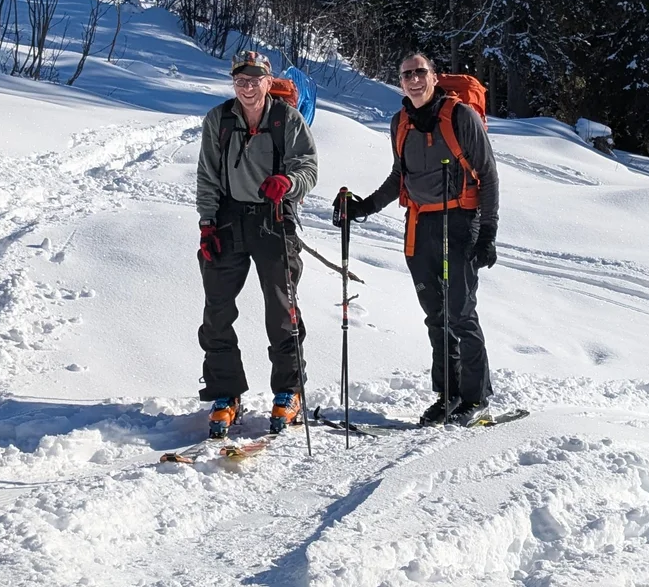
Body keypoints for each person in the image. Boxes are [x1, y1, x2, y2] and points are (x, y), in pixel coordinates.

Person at [334, 52, 500, 425]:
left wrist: (488, 230)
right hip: (420, 225)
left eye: (419, 72)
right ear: (400, 81)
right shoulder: (400, 123)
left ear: (434, 76)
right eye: (406, 74)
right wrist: (365, 207)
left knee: (460, 312)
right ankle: (448, 394)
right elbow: (400, 176)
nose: (413, 79)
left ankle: (476, 398)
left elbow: (488, 175)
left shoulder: (460, 116)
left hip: (460, 220)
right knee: (436, 316)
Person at [194, 48, 319, 437]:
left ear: (268, 82)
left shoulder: (286, 119)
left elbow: (308, 166)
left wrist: (289, 183)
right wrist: (207, 223)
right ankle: (225, 394)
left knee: (282, 311)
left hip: (273, 218)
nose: (247, 86)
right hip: (229, 219)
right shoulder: (219, 119)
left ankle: (288, 391)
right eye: (240, 80)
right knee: (217, 309)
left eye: (255, 79)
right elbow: (208, 174)